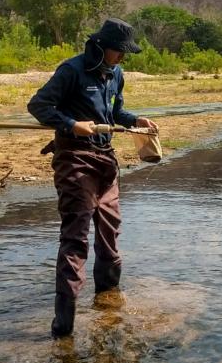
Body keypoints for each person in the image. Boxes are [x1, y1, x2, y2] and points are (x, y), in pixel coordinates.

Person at [28, 18, 158, 337]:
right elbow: (38, 105)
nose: (122, 58)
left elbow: (114, 114)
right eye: (119, 52)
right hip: (74, 161)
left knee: (110, 235)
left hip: (105, 163)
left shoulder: (116, 74)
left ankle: (107, 306)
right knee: (75, 240)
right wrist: (71, 124)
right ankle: (64, 329)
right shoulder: (71, 71)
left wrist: (135, 120)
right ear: (102, 47)